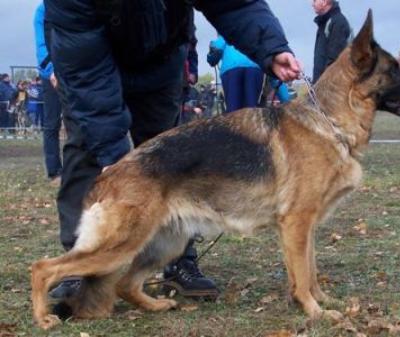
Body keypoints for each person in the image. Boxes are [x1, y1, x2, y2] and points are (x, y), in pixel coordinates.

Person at [44, 0, 301, 300]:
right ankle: (80, 265)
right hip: (90, 67)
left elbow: (234, 4)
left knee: (173, 161)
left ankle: (179, 261)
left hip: (160, 63)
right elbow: (86, 73)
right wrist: (111, 155)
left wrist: (271, 47)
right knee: (86, 151)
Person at [34, 2, 63, 183]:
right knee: (52, 123)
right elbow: (41, 44)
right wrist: (51, 70)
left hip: (74, 69)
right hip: (51, 73)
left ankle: (82, 170)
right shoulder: (43, 10)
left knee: (80, 120)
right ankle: (55, 172)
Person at [311, 0, 351, 83]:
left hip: (331, 88)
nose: (312, 4)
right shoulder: (324, 23)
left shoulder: (338, 22)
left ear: (324, 1)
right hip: (321, 86)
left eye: (315, 0)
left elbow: (334, 61)